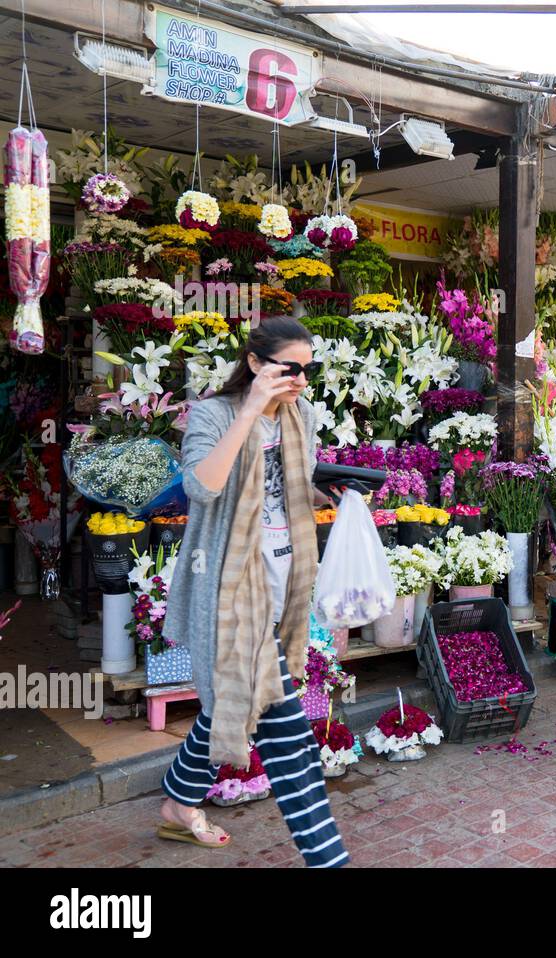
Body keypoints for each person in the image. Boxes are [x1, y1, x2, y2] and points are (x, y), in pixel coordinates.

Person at [156, 316, 349, 867]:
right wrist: (249, 411)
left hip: (282, 583)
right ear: (257, 363)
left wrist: (333, 491)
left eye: (308, 371)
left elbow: (290, 488)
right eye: (291, 369)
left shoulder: (301, 415)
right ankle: (328, 860)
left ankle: (177, 803)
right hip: (228, 589)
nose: (301, 382)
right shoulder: (213, 415)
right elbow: (202, 486)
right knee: (286, 732)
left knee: (227, 707)